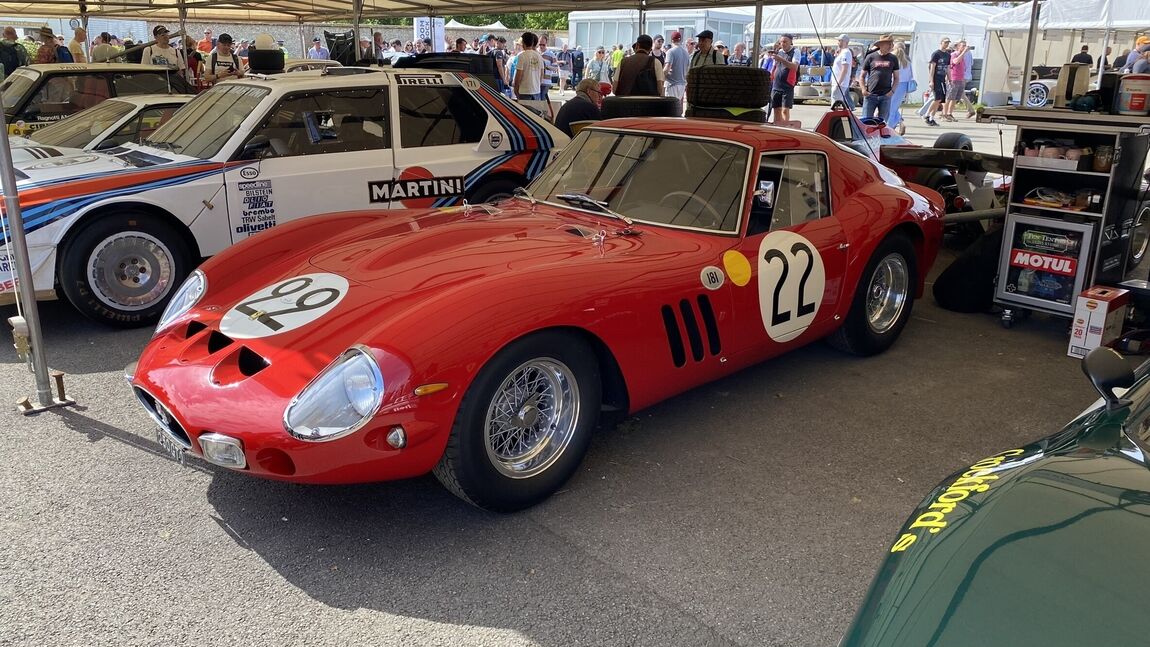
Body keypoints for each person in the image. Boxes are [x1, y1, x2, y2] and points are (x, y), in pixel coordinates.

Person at [859, 34, 899, 123]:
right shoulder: (871, 57)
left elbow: (897, 78)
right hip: (870, 95)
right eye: (888, 44)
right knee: (866, 121)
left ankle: (880, 137)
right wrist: (863, 90)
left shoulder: (893, 58)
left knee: (883, 123)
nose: (890, 46)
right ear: (881, 45)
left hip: (885, 95)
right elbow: (862, 75)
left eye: (891, 44)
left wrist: (892, 91)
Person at [768, 34, 798, 124]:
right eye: (781, 42)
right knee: (776, 109)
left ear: (790, 42)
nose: (783, 44)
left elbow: (794, 67)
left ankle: (785, 127)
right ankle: (777, 127)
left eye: (785, 42)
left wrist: (781, 59)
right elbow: (774, 67)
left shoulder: (795, 51)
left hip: (787, 85)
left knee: (785, 110)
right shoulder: (780, 52)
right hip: (776, 84)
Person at [887, 40, 913, 134]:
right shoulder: (907, 60)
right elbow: (910, 74)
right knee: (894, 106)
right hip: (904, 84)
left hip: (893, 83)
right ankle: (898, 121)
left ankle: (890, 127)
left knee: (889, 106)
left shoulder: (892, 58)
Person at [924, 37, 951, 127]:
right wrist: (931, 80)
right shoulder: (936, 54)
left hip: (942, 78)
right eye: (945, 42)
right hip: (936, 78)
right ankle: (927, 115)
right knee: (937, 98)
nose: (946, 44)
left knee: (940, 99)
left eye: (948, 43)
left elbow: (947, 68)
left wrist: (949, 79)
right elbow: (932, 67)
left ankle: (931, 117)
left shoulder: (948, 55)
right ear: (941, 43)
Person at [513, 31, 544, 100]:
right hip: (536, 91)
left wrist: (516, 89)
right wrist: (538, 85)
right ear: (532, 42)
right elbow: (542, 74)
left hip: (524, 91)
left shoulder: (521, 56)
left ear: (523, 43)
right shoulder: (539, 56)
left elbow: (519, 75)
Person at [941, 40, 968, 122]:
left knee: (955, 98)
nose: (964, 47)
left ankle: (949, 113)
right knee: (949, 97)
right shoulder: (954, 54)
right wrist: (964, 52)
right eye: (963, 45)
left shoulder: (962, 56)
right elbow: (955, 61)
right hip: (953, 78)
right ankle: (944, 114)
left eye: (965, 46)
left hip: (960, 79)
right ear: (958, 46)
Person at [664, 31, 689, 112]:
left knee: (669, 109)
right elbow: (687, 69)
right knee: (677, 108)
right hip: (682, 84)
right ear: (680, 40)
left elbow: (667, 67)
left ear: (672, 40)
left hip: (672, 83)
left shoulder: (670, 51)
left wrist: (660, 76)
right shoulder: (686, 53)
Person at [830, 34, 854, 110]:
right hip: (837, 82)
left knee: (836, 103)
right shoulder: (842, 52)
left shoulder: (846, 53)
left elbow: (845, 68)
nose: (838, 42)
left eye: (839, 40)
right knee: (836, 102)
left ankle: (836, 118)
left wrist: (838, 82)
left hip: (840, 83)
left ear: (844, 42)